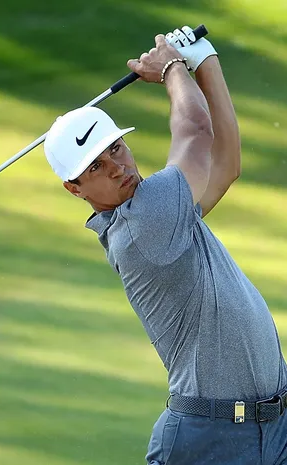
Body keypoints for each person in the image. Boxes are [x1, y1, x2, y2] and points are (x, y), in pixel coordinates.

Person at [43, 26, 287, 464]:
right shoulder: (144, 223)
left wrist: (205, 61)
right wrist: (172, 66)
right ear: (74, 188)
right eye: (95, 167)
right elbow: (196, 131)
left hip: (273, 424)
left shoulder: (163, 210)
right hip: (210, 441)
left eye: (116, 149)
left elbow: (226, 164)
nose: (116, 167)